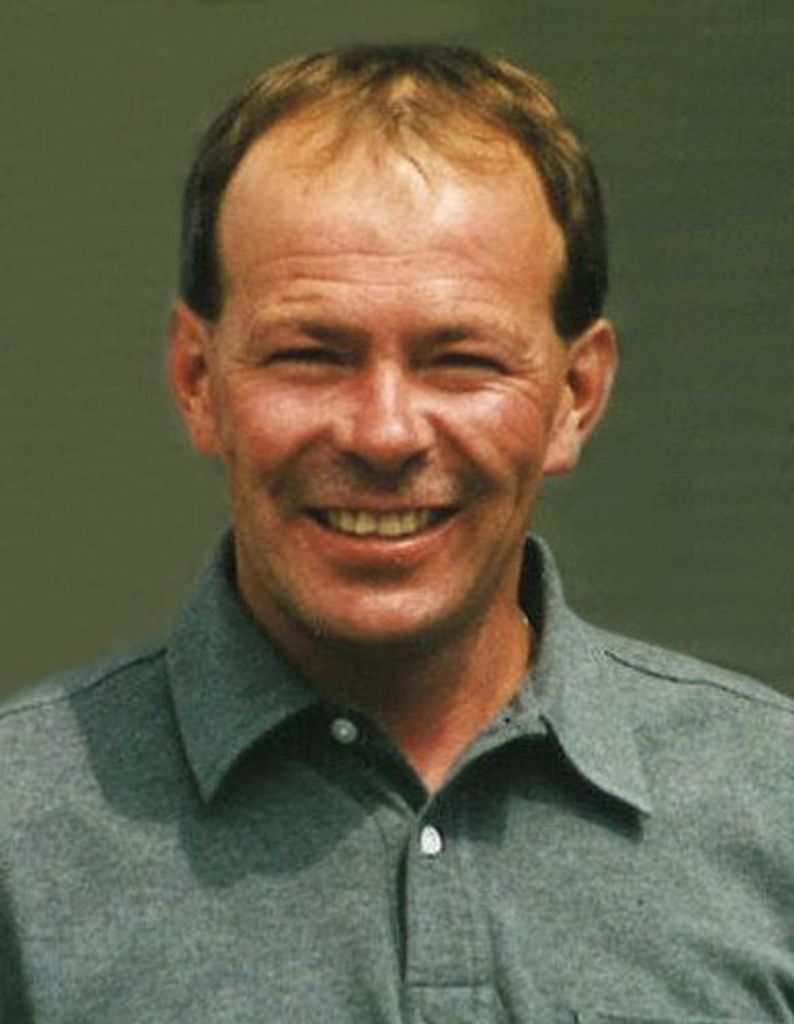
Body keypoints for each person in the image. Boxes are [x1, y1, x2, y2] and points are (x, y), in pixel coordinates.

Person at [1, 44, 791, 1024]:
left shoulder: (773, 803)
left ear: (574, 397)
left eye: (461, 359)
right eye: (309, 354)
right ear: (198, 381)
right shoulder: (18, 840)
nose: (383, 433)